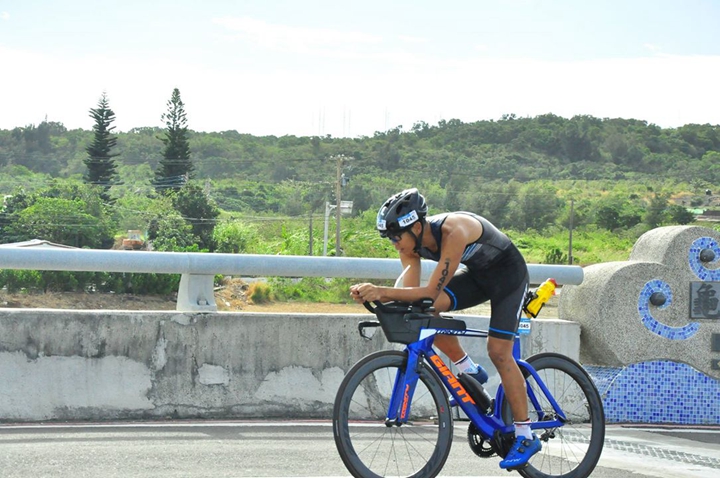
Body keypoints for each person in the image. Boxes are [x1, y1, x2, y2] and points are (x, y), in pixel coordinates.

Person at [350, 188, 540, 470]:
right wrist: (382, 297)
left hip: (508, 277)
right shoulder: (412, 245)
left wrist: (380, 290)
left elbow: (427, 289)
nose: (393, 243)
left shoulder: (453, 231)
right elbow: (416, 296)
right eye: (388, 237)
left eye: (395, 236)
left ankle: (525, 434)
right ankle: (469, 370)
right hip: (477, 276)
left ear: (415, 226)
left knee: (499, 352)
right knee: (423, 313)